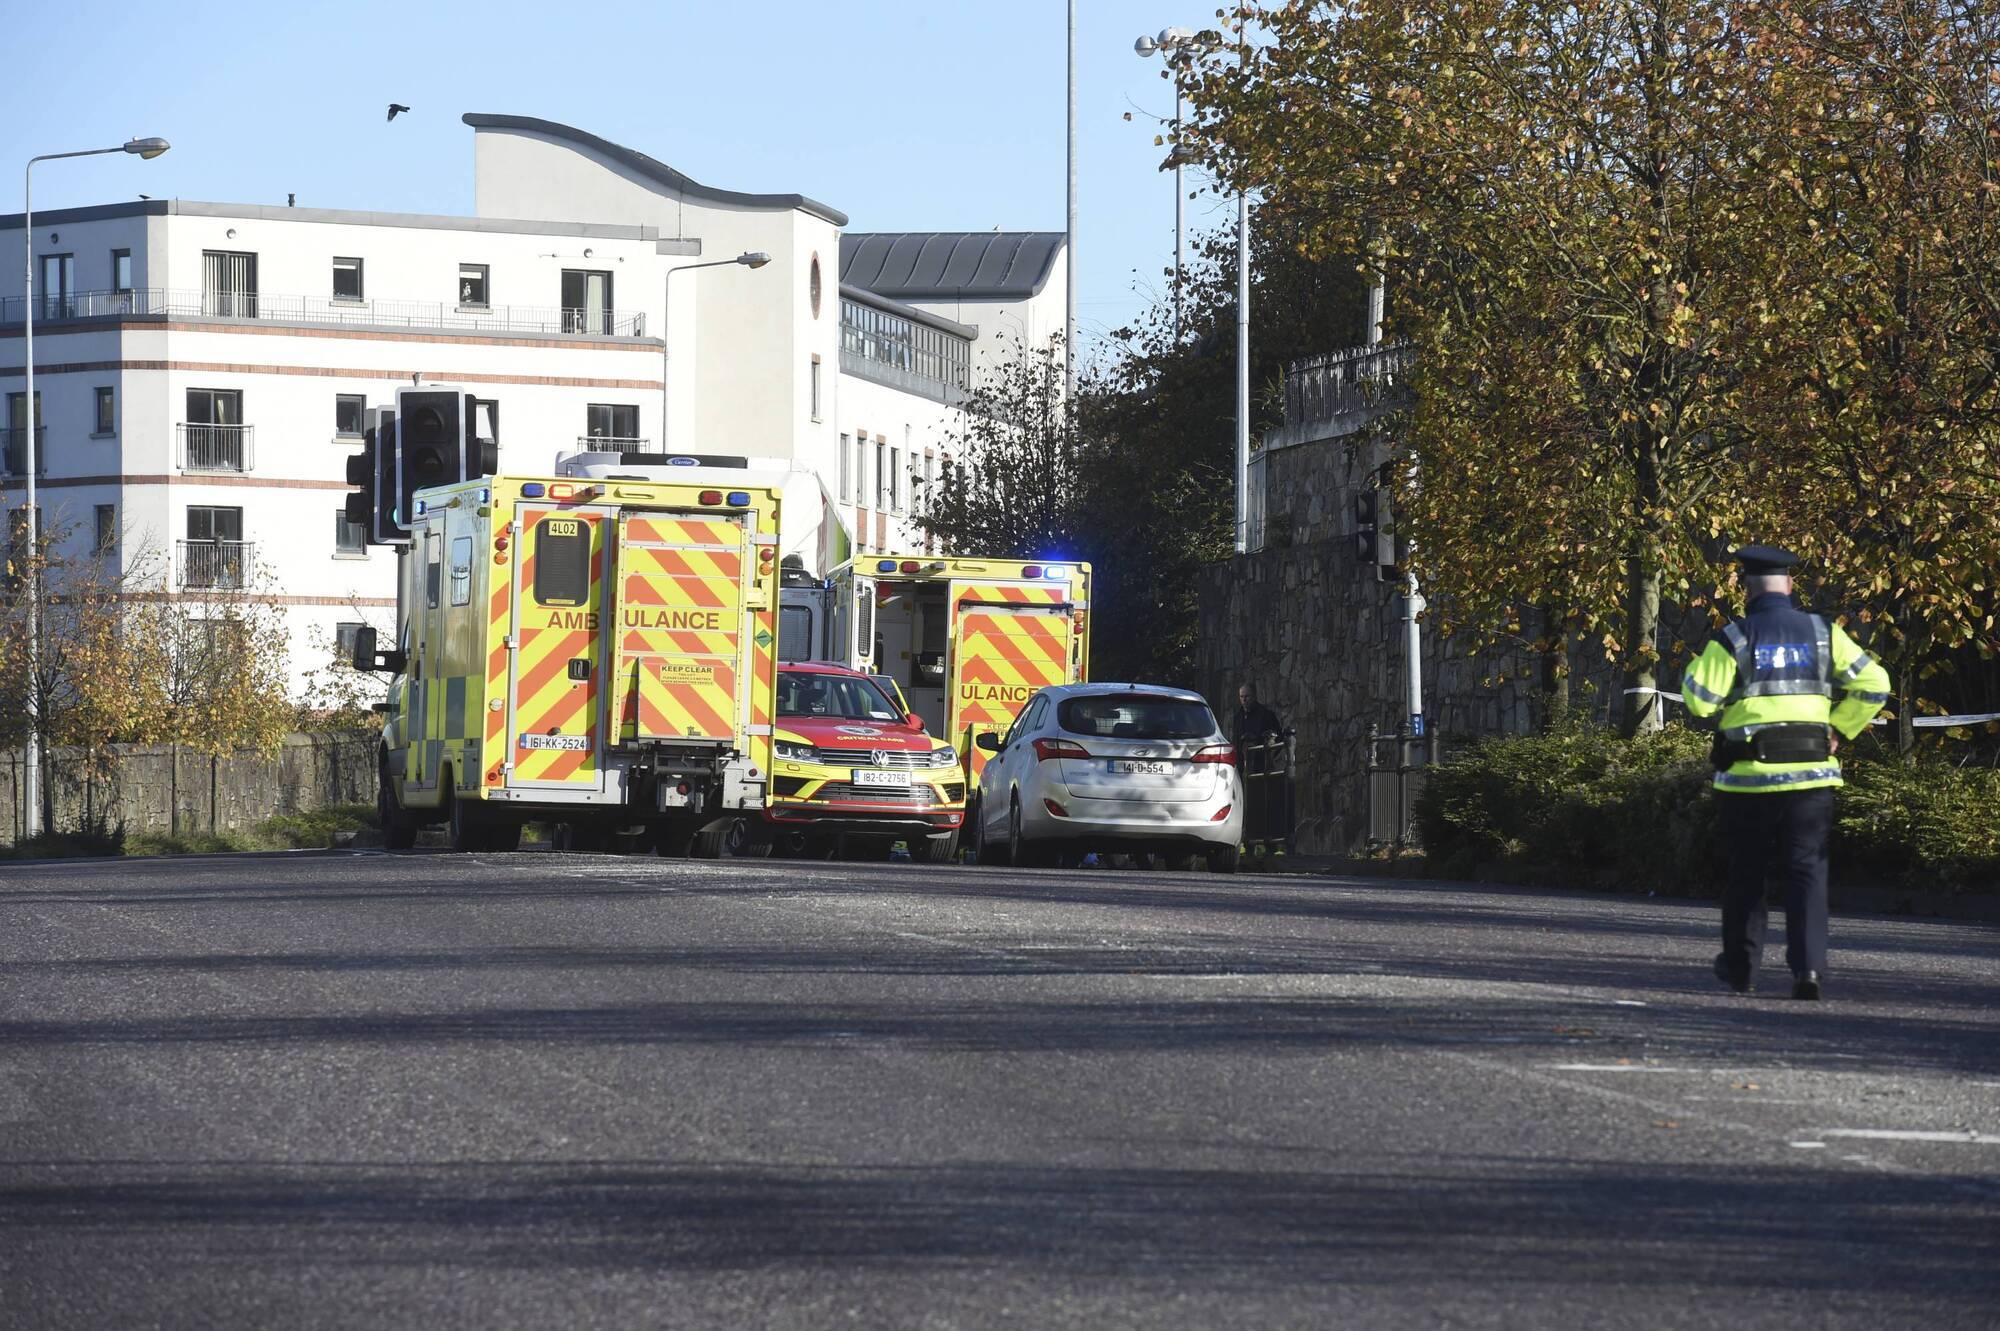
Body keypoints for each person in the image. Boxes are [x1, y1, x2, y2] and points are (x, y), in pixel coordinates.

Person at [1680, 545, 1891, 1000]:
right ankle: (1808, 971)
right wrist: (1841, 728)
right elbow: (1875, 684)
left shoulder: (1732, 638)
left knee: (1747, 875)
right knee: (1806, 873)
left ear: (1744, 588)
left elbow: (1698, 700)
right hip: (1811, 778)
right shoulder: (1824, 634)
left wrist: (1707, 664)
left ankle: (1741, 970)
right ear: (1790, 586)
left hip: (1747, 779)